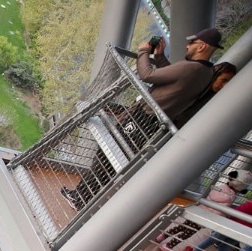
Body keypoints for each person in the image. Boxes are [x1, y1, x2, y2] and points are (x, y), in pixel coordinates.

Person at [60, 27, 220, 211]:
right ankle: (83, 198)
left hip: (144, 118)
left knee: (107, 155)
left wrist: (143, 50)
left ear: (202, 46)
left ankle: (80, 198)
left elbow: (147, 75)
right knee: (111, 159)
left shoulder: (191, 67)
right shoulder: (205, 72)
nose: (187, 45)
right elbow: (172, 77)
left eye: (192, 42)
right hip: (152, 122)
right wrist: (159, 57)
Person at [172, 61, 237, 128]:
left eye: (229, 82)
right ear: (214, 75)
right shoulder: (195, 87)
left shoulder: (216, 100)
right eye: (224, 80)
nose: (224, 86)